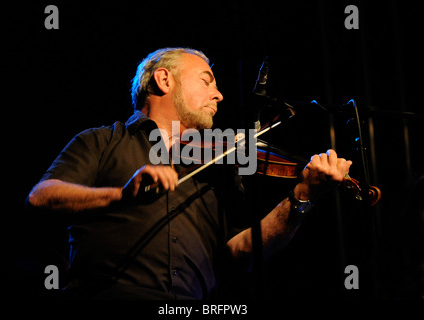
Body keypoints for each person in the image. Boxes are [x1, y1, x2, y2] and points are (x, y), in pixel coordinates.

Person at [26, 47, 352, 299]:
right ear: (164, 80)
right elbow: (41, 197)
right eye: (206, 81)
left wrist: (302, 196)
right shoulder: (102, 140)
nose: (219, 95)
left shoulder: (219, 164)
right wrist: (121, 195)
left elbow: (238, 251)